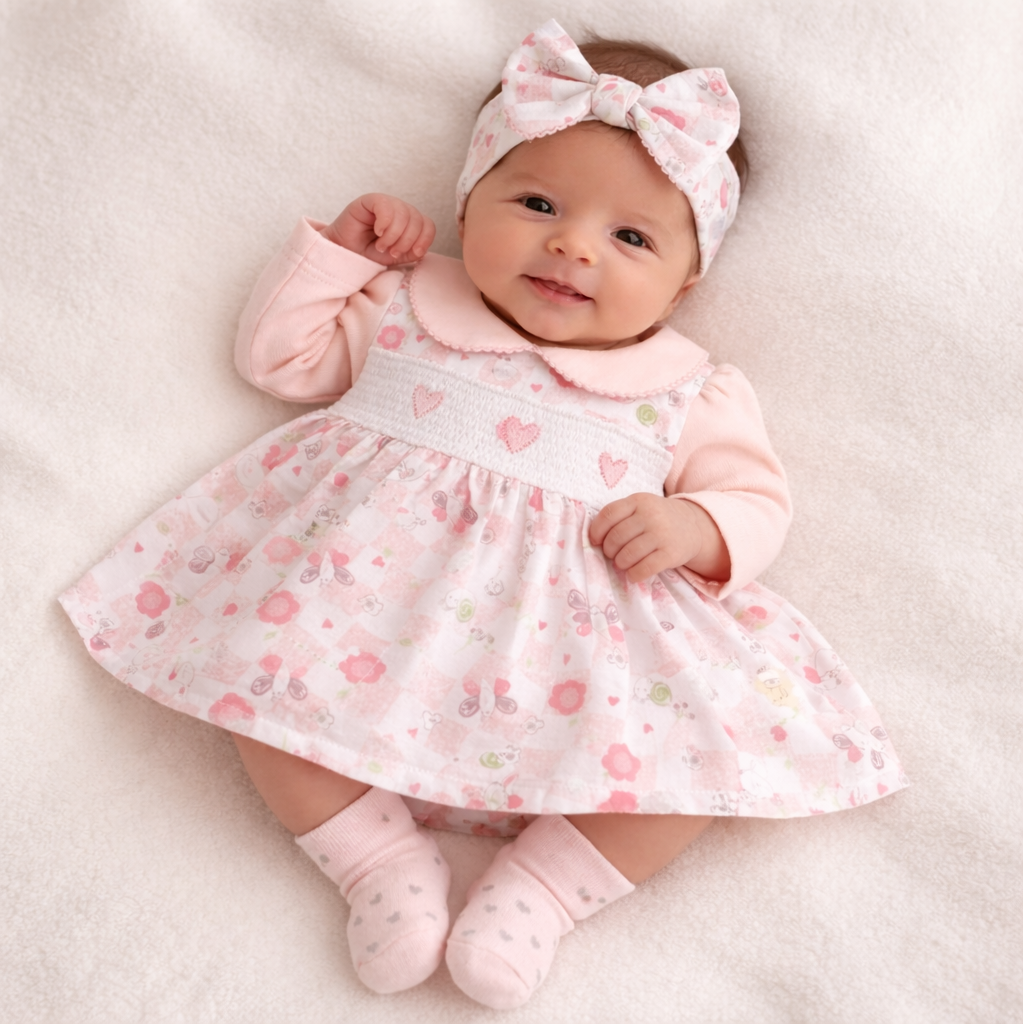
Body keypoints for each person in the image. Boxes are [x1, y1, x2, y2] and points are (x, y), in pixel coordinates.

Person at [59, 20, 907, 1010]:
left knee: (701, 764)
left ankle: (541, 892)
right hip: (354, 626)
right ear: (468, 200)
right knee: (248, 671)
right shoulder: (410, 306)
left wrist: (696, 529)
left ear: (685, 283)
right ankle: (377, 863)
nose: (572, 244)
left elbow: (756, 498)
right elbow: (280, 359)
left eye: (630, 237)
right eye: (538, 202)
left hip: (571, 667)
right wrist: (340, 258)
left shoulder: (686, 388)